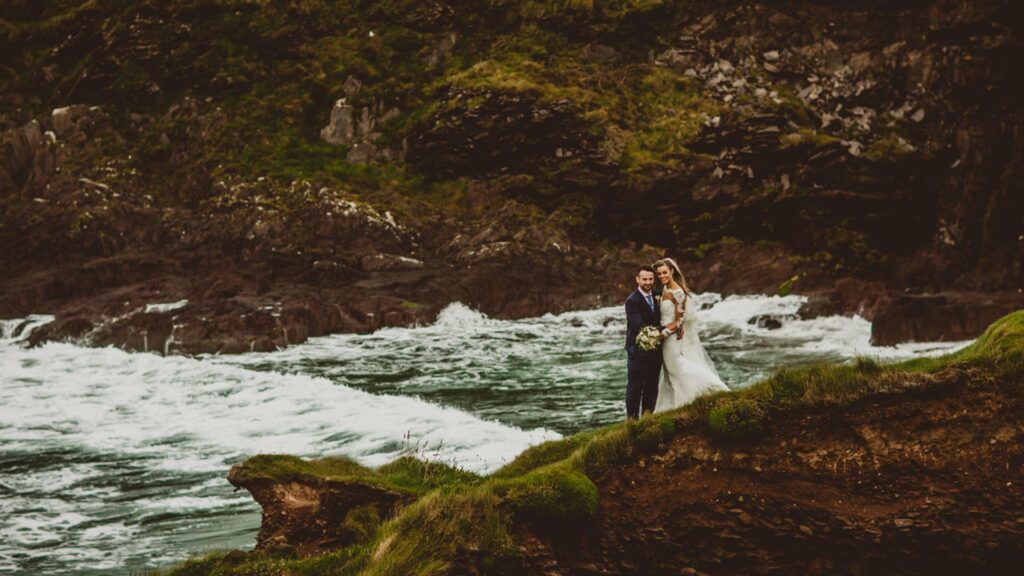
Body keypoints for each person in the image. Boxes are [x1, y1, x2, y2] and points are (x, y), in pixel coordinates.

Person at [652, 258, 730, 412]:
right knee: (669, 372)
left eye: (665, 273)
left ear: (672, 271)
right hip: (665, 336)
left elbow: (680, 320)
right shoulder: (665, 289)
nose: (662, 276)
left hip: (671, 338)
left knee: (676, 368)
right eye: (659, 274)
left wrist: (663, 333)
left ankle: (713, 387)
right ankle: (668, 407)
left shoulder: (678, 293)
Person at [623, 265, 664, 419]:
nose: (648, 282)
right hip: (637, 351)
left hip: (655, 350)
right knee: (635, 387)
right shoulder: (632, 301)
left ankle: (647, 417)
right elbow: (639, 326)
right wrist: (666, 329)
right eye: (645, 279)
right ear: (637, 279)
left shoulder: (658, 295)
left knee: (652, 386)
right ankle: (632, 420)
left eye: (651, 279)